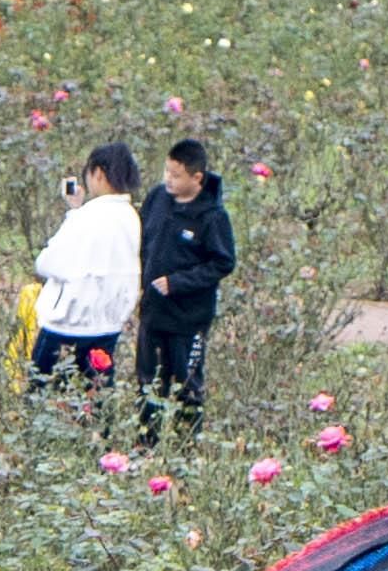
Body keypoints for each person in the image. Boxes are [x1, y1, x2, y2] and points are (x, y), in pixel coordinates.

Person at [135, 137, 235, 427]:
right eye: (167, 171)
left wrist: (179, 282)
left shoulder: (212, 217)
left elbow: (222, 262)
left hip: (188, 319)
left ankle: (186, 448)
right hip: (153, 312)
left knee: (186, 385)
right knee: (148, 382)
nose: (169, 179)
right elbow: (141, 238)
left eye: (176, 175)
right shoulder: (157, 199)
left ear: (197, 177)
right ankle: (146, 442)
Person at [29, 143, 140, 395]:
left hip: (68, 325)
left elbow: (47, 262)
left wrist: (76, 215)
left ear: (98, 173)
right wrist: (76, 210)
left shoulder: (89, 217)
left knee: (41, 396)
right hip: (107, 326)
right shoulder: (130, 217)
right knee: (96, 399)